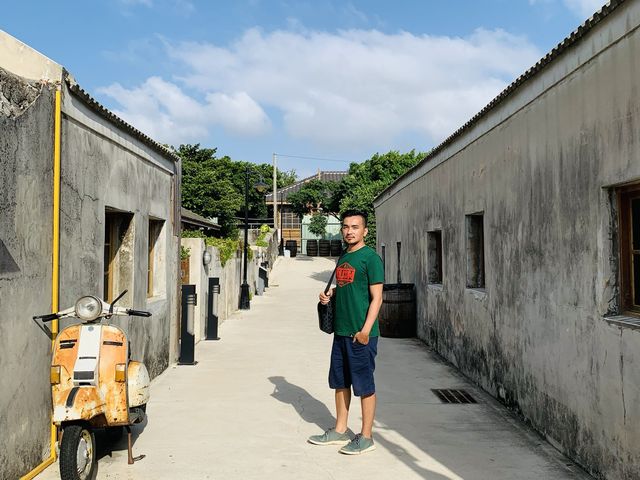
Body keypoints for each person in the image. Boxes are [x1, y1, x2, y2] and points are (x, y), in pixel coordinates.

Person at [308, 210, 384, 455]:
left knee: (364, 385)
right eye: (346, 227)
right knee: (340, 383)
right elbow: (347, 288)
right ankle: (340, 430)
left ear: (365, 231)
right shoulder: (343, 256)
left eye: (355, 227)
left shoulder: (370, 258)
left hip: (360, 335)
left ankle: (367, 436)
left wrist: (365, 330)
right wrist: (330, 295)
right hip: (340, 332)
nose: (349, 231)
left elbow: (377, 298)